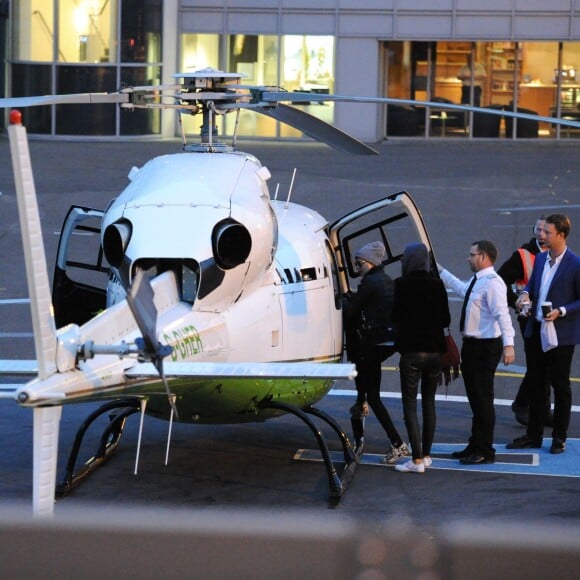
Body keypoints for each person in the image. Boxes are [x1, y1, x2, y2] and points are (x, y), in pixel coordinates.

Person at [507, 214, 580, 455]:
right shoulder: (539, 259)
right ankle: (534, 434)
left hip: (560, 334)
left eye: (548, 232)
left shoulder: (575, 264)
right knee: (537, 384)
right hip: (536, 328)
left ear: (561, 235)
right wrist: (526, 295)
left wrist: (562, 310)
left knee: (560, 385)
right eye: (542, 231)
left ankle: (559, 437)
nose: (542, 235)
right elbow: (532, 285)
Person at [438, 240, 515, 464]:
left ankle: (485, 450)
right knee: (476, 398)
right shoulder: (478, 280)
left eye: (472, 255)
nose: (468, 258)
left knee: (482, 399)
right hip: (473, 346)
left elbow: (503, 315)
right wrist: (441, 271)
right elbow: (462, 289)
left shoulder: (493, 283)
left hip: (485, 347)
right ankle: (475, 444)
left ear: (483, 257)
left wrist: (509, 345)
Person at [343, 241, 410, 464]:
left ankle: (397, 444)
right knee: (364, 393)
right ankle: (359, 431)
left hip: (371, 345)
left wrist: (345, 301)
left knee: (371, 396)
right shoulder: (385, 280)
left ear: (369, 263)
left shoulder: (370, 282)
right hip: (385, 343)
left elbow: (351, 311)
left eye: (359, 263)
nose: (357, 267)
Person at [391, 243, 451, 474]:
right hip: (435, 351)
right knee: (429, 402)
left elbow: (395, 316)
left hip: (412, 351)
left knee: (410, 404)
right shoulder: (437, 285)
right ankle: (426, 454)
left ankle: (415, 459)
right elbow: (445, 319)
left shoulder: (401, 285)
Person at [498, 217, 552, 427]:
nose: (540, 233)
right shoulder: (523, 255)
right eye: (537, 229)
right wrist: (517, 303)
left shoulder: (554, 254)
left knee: (546, 364)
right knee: (539, 363)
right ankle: (522, 403)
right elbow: (501, 280)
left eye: (545, 230)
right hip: (529, 317)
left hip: (548, 316)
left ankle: (543, 410)